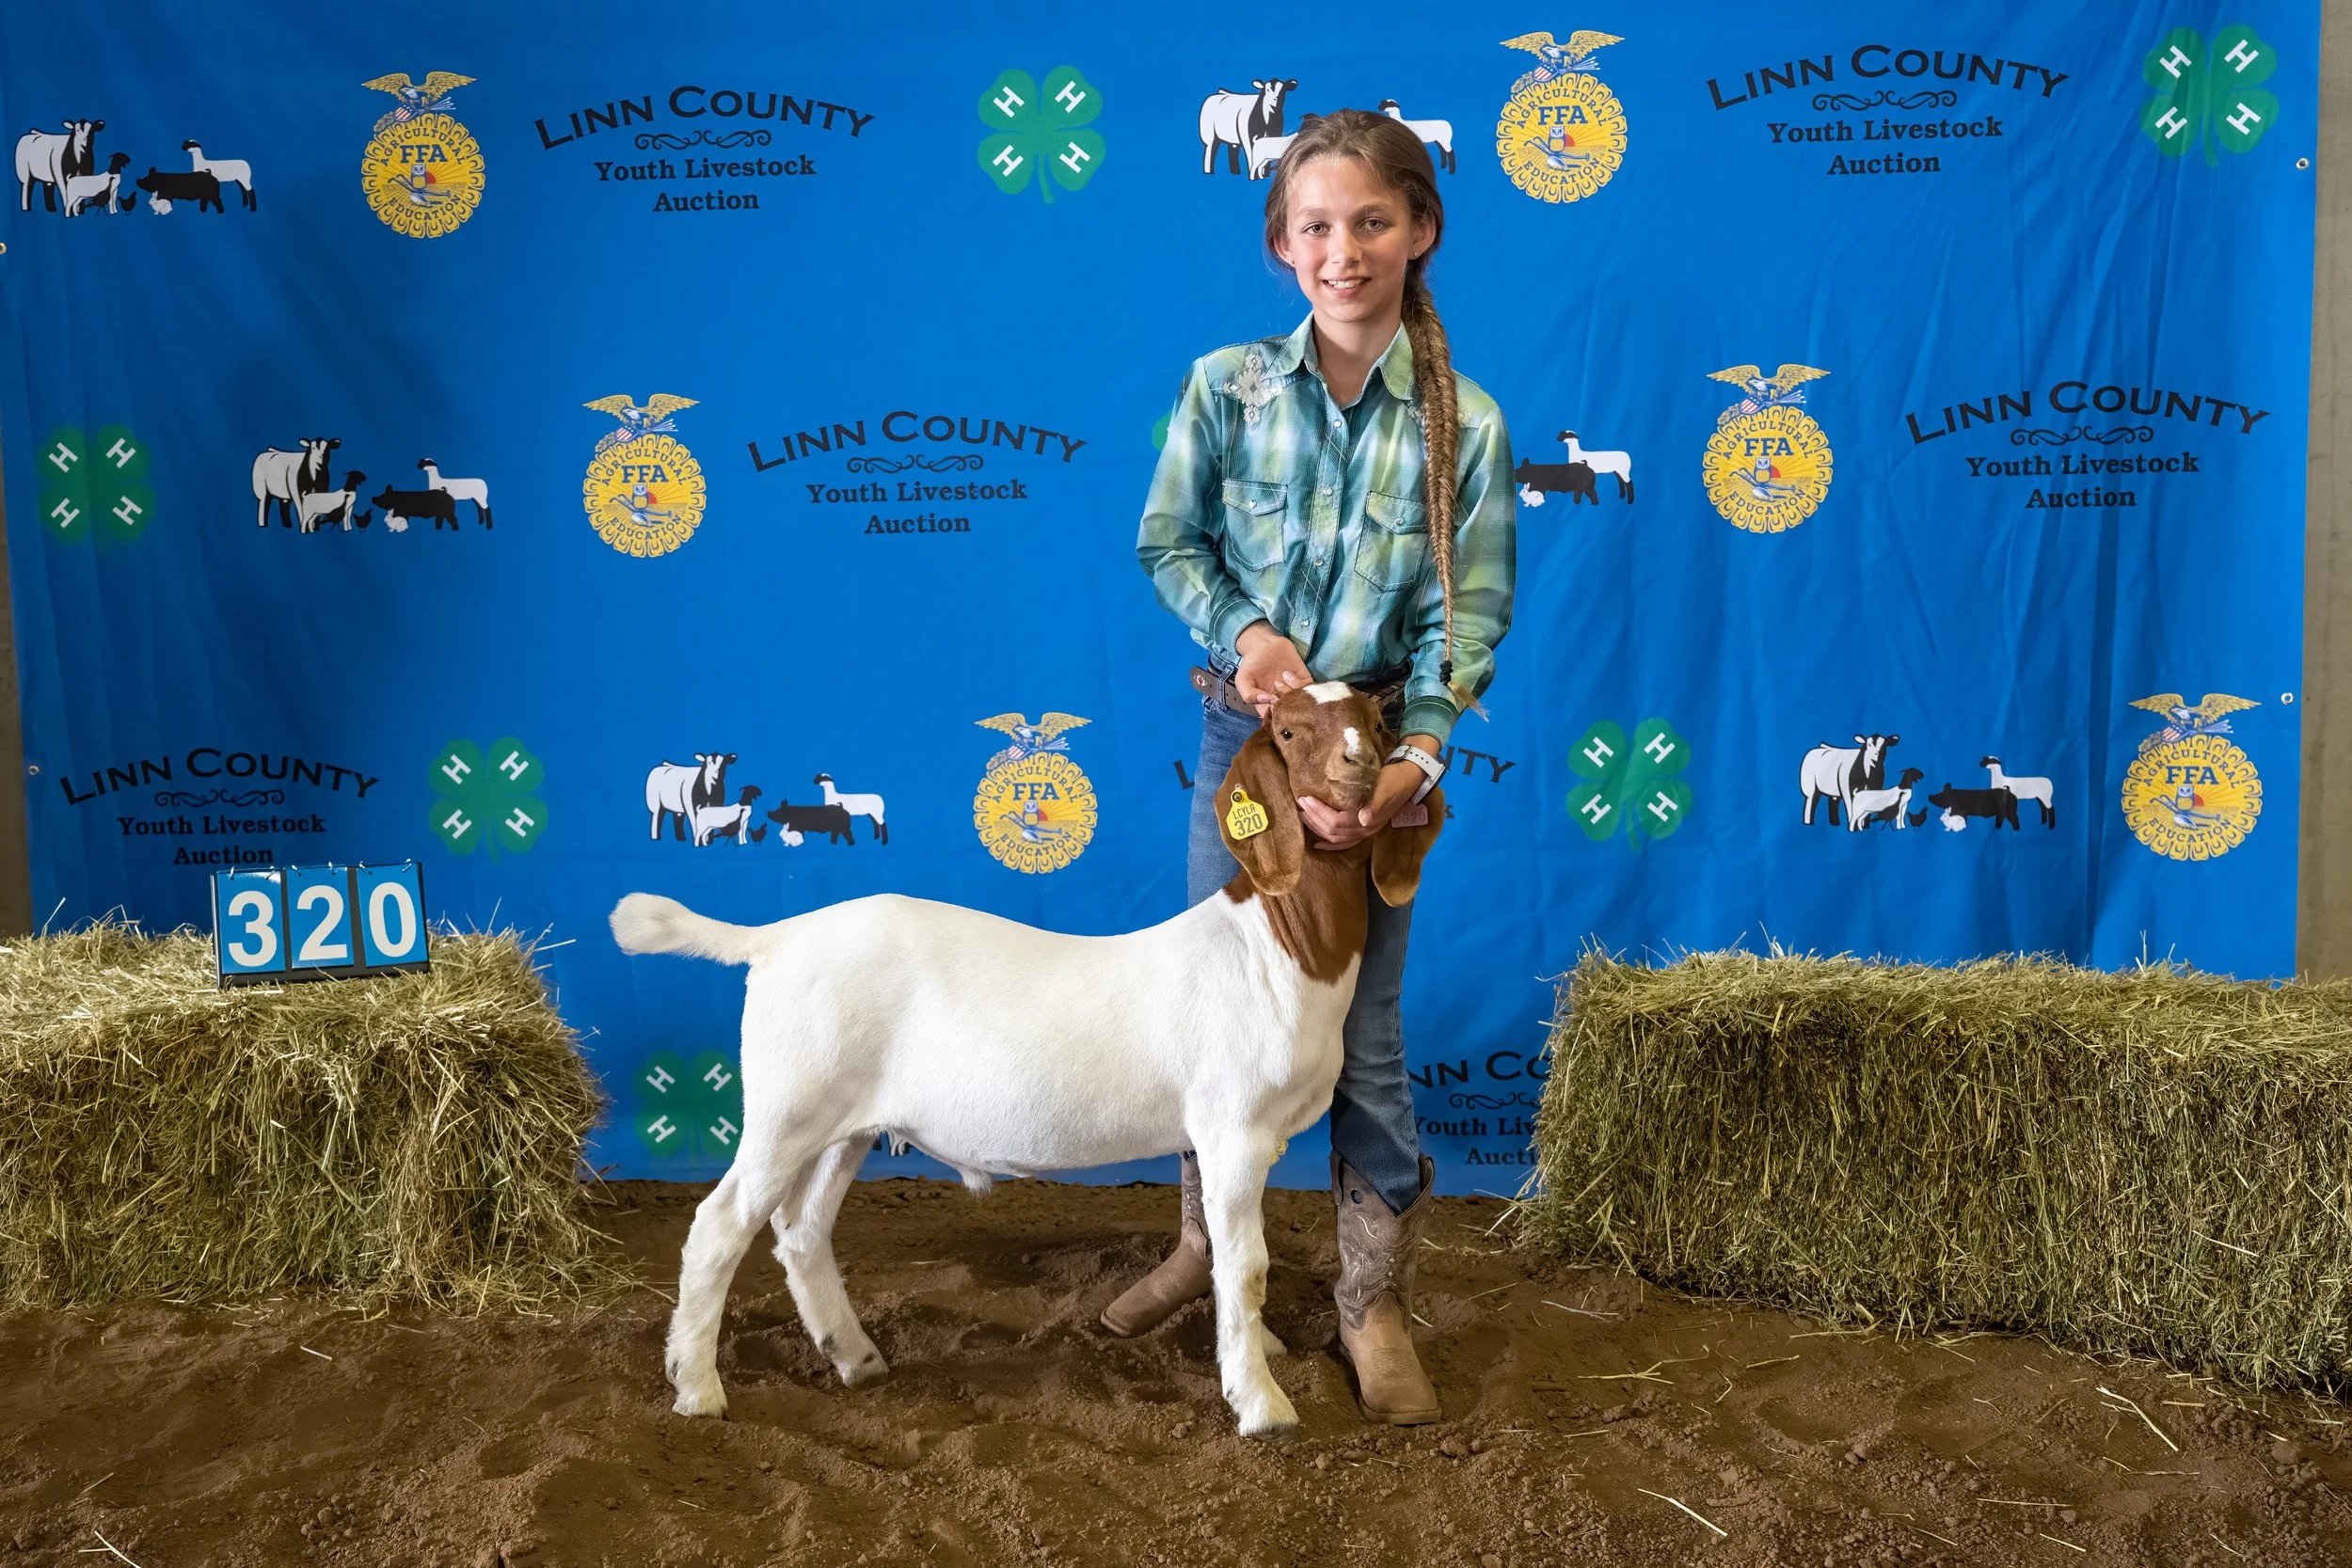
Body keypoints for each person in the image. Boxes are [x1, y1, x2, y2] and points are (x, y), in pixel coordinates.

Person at [1115, 107, 1517, 1424]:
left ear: (1422, 232)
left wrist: (1408, 763)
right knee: (1210, 1005)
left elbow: (1468, 619)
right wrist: (1245, 633)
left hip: (1377, 758)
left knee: (1369, 1035)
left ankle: (1367, 1295)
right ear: (1283, 243)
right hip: (1250, 741)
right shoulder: (1226, 385)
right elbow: (1170, 543)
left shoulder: (1470, 424)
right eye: (1316, 226)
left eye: (1371, 223)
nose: (1343, 250)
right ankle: (1201, 1240)